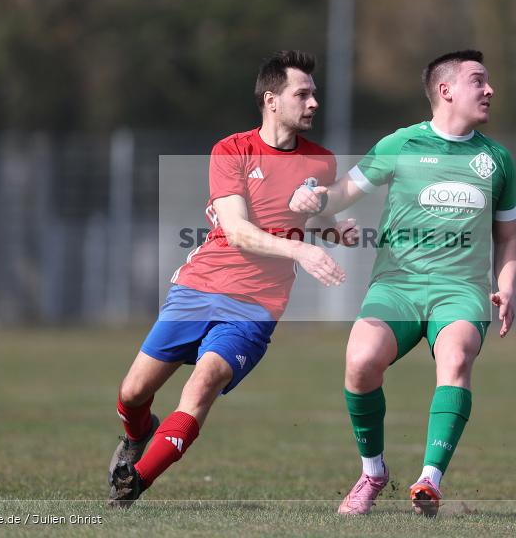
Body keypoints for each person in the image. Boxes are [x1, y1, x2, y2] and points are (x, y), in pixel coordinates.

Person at [108, 50, 358, 507]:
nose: (314, 103)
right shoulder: (232, 150)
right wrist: (301, 247)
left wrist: (331, 226)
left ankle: (133, 483)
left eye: (314, 94)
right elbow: (240, 231)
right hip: (200, 286)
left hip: (255, 306)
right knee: (132, 392)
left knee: (203, 382)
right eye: (302, 94)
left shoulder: (321, 163)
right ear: (271, 100)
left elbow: (301, 216)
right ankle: (136, 436)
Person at [289, 50, 516, 516]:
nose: (490, 90)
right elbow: (344, 192)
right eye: (479, 81)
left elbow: (509, 237)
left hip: (461, 290)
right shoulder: (402, 143)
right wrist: (313, 198)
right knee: (359, 362)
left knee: (455, 356)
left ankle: (429, 481)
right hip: (397, 285)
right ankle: (373, 471)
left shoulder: (496, 160)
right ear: (446, 90)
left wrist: (508, 284)